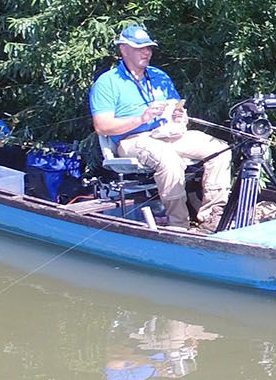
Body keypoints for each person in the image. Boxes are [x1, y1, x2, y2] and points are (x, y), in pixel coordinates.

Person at [90, 24, 231, 231]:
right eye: (140, 48)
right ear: (123, 49)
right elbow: (102, 127)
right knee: (167, 158)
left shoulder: (159, 76)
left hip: (165, 134)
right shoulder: (107, 82)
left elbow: (175, 108)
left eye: (148, 48)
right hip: (132, 140)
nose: (146, 52)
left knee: (220, 148)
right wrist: (141, 118)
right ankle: (179, 225)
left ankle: (211, 217)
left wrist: (180, 116)